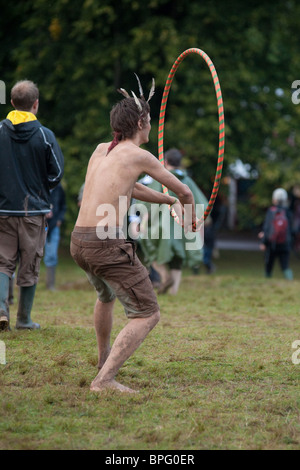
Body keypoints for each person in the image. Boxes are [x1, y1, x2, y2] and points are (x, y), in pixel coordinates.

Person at [70, 78, 198, 393]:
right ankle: (104, 380)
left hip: (79, 242)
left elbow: (134, 188)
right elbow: (184, 191)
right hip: (106, 244)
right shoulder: (139, 155)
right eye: (150, 121)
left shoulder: (102, 151)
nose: (152, 127)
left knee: (106, 296)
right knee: (148, 314)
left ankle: (103, 363)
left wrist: (167, 200)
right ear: (141, 123)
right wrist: (192, 219)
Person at [0, 80, 64, 331]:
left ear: (13, 103)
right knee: (30, 263)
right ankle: (24, 320)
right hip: (33, 212)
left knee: (2, 262)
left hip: (2, 211)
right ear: (35, 104)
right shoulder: (44, 135)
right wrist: (41, 190)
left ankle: (1, 309)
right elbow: (56, 173)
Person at [135, 148, 208, 295]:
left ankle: (164, 276)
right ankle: (173, 291)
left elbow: (147, 204)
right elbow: (202, 205)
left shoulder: (161, 180)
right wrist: (198, 227)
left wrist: (141, 223)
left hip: (161, 227)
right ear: (180, 163)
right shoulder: (187, 181)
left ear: (165, 162)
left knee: (152, 252)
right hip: (181, 228)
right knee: (177, 260)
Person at [259, 188, 293, 280]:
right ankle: (290, 280)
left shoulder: (271, 211)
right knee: (285, 265)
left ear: (274, 199)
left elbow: (267, 228)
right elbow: (291, 229)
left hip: (272, 244)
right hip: (285, 244)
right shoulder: (288, 212)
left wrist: (263, 242)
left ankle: (267, 282)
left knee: (268, 265)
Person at [44, 183, 67, 290]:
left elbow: (63, 205)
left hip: (54, 226)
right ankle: (29, 283)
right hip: (39, 225)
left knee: (52, 255)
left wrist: (59, 220)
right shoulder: (38, 183)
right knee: (30, 254)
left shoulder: (58, 188)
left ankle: (50, 285)